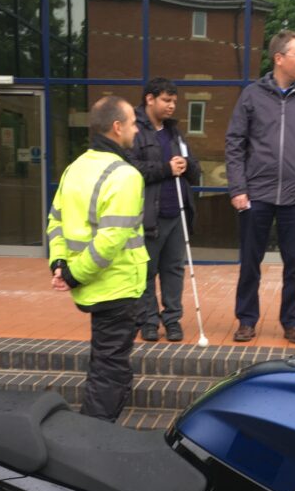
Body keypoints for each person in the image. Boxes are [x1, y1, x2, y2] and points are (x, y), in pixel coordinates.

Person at [225, 29, 295, 344]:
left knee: (294, 265)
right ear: (279, 58)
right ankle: (246, 320)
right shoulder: (252, 95)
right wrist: (238, 188)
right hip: (256, 195)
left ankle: (292, 322)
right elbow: (234, 143)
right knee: (250, 262)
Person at [47, 96, 148, 422]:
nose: (136, 129)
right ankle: (90, 439)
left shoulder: (74, 168)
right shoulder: (126, 175)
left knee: (104, 362)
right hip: (116, 288)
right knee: (110, 372)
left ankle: (91, 431)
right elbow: (110, 240)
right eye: (133, 122)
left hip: (91, 287)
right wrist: (74, 273)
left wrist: (59, 265)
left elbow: (55, 222)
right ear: (117, 127)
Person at [127, 77, 202, 343]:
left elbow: (195, 171)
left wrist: (187, 164)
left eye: (174, 102)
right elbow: (130, 169)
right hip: (150, 214)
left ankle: (172, 320)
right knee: (146, 271)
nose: (172, 106)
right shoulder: (134, 130)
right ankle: (147, 321)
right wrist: (165, 169)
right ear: (150, 98)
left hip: (177, 214)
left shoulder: (175, 133)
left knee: (173, 270)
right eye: (166, 100)